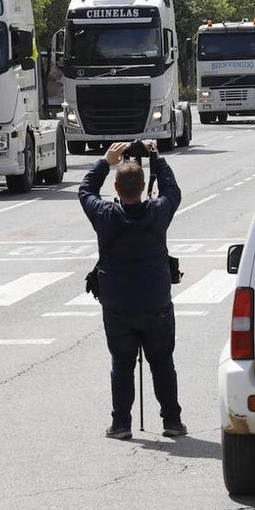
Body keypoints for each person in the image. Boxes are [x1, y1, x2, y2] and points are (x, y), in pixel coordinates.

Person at [79, 140, 185, 439]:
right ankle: (172, 421)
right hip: (156, 303)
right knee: (162, 362)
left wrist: (105, 161)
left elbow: (85, 191)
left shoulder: (105, 215)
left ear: (116, 187)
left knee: (122, 364)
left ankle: (121, 424)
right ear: (142, 187)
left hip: (118, 306)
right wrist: (156, 159)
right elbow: (172, 192)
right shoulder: (158, 211)